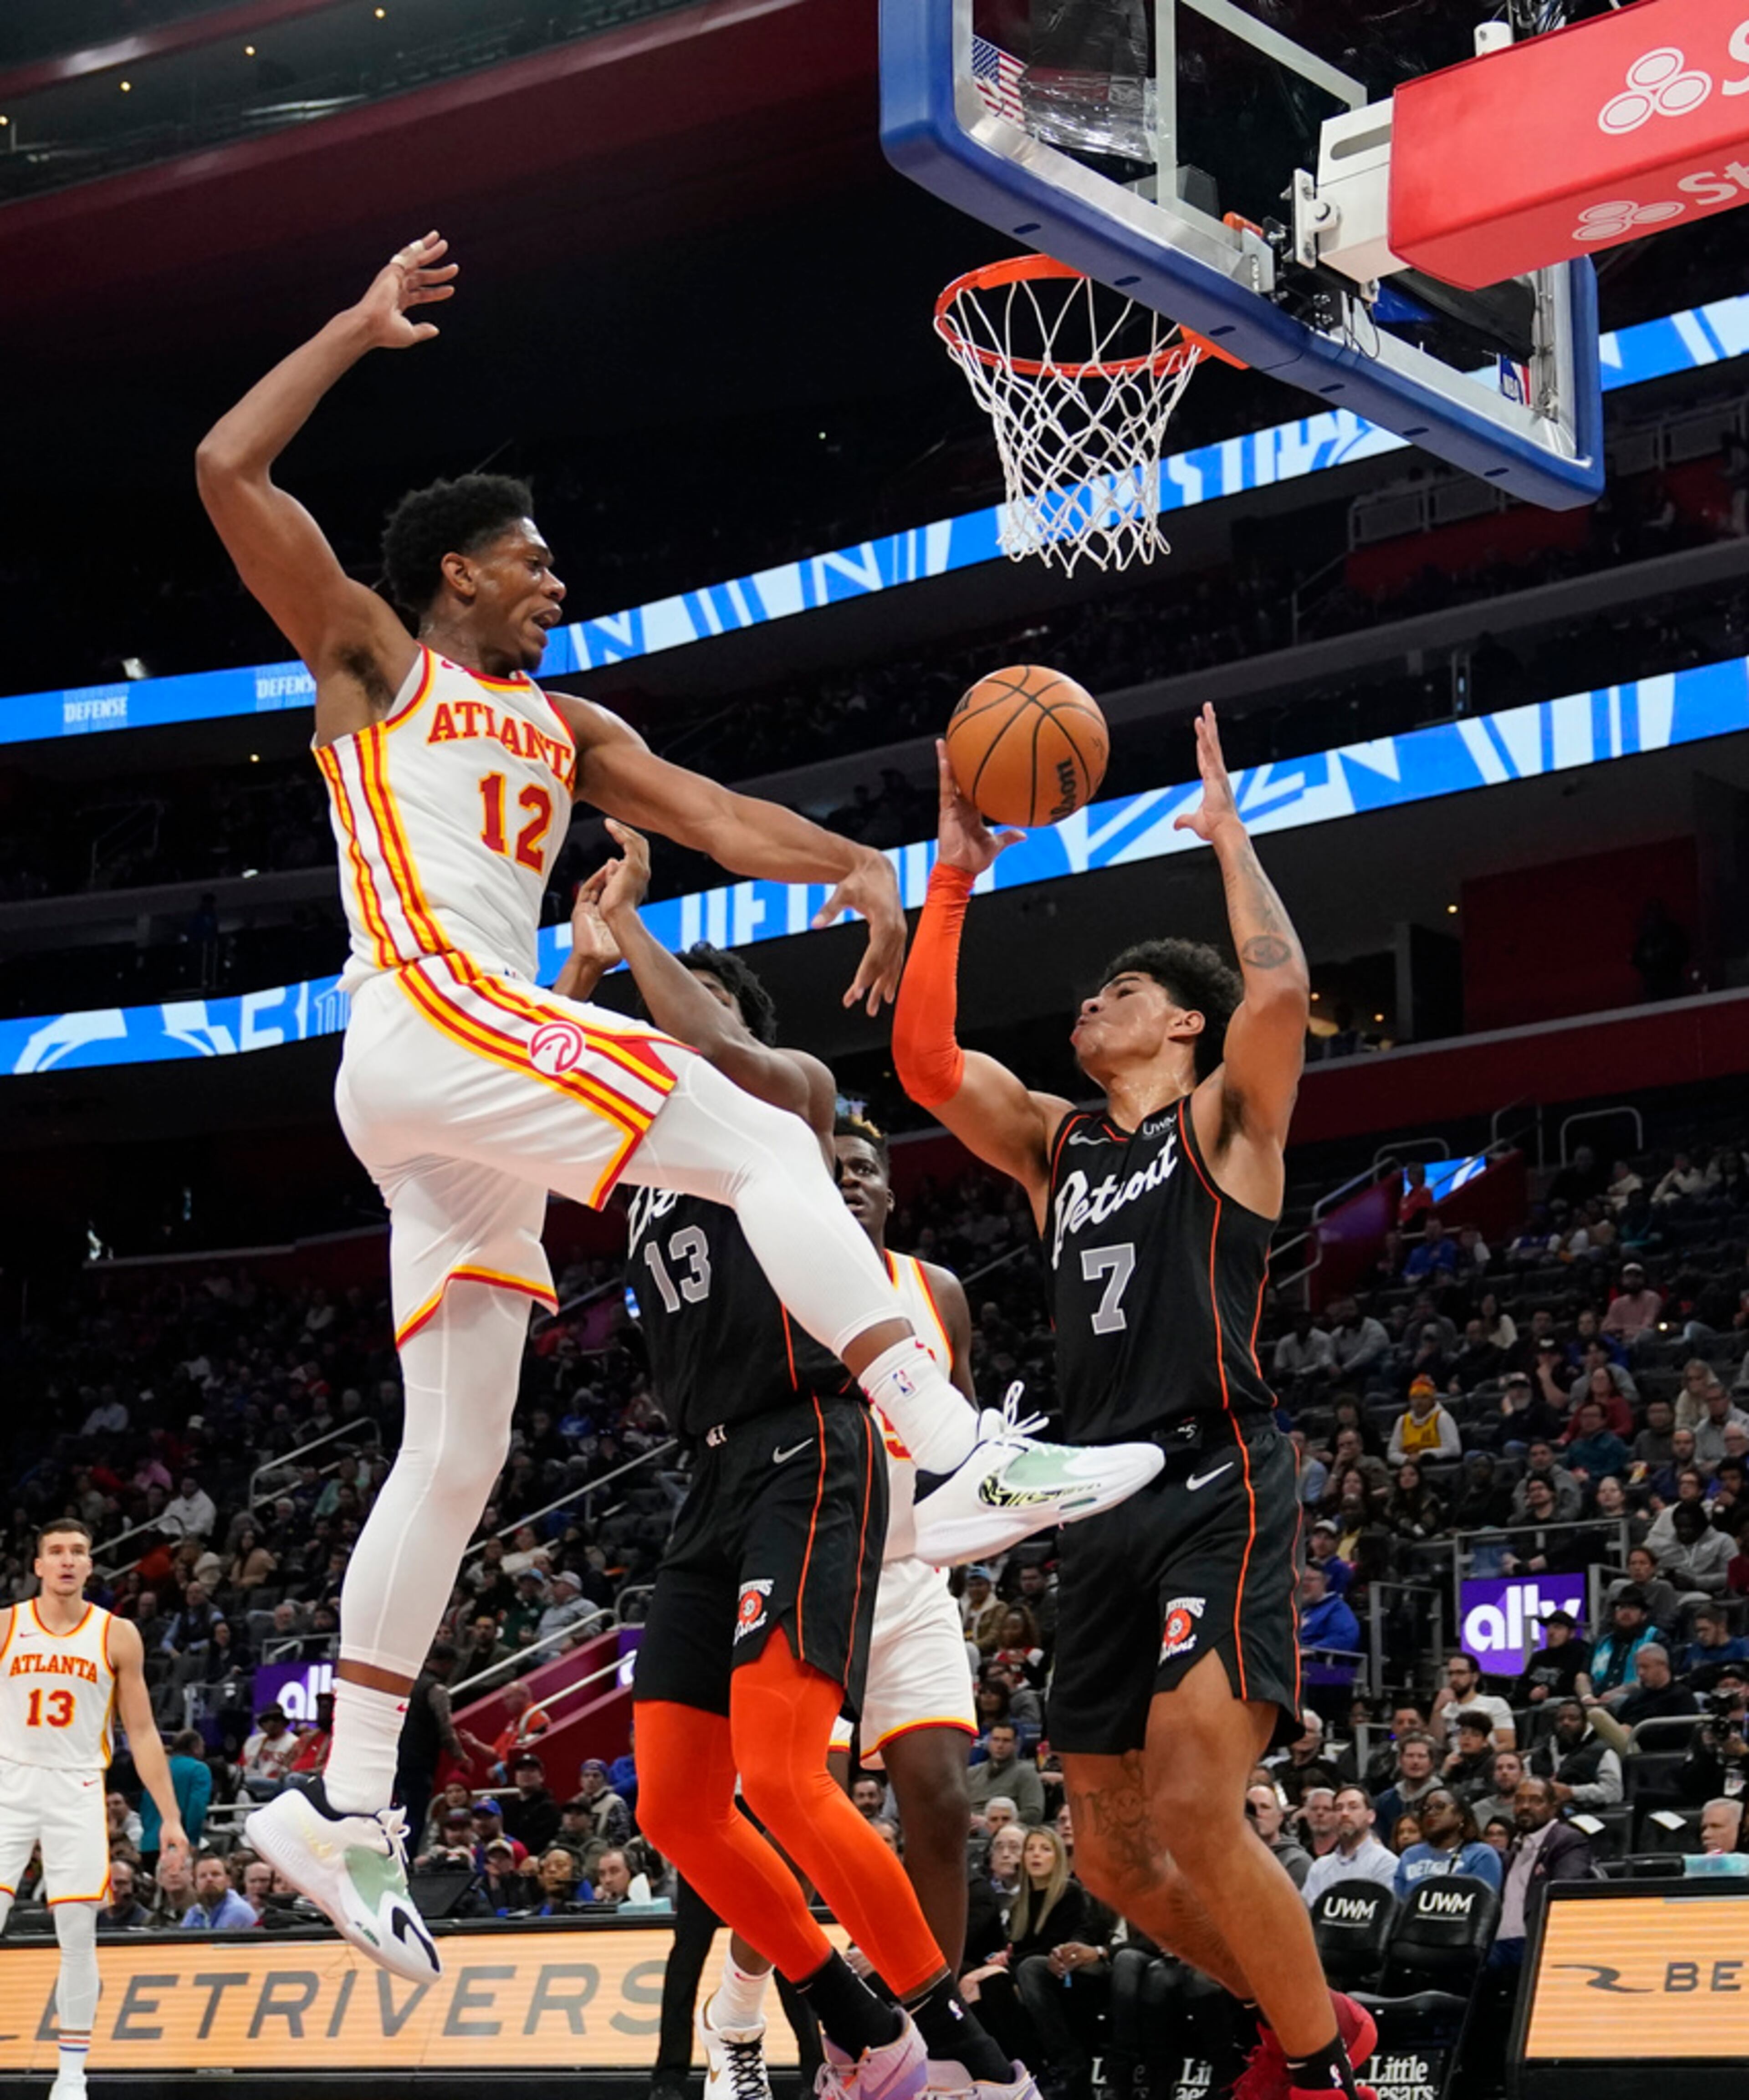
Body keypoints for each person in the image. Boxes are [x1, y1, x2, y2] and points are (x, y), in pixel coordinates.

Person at [204, 233, 1157, 1988]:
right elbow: (225, 469)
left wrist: (865, 860)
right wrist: (349, 325)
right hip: (432, 1018)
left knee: (460, 1445)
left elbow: (717, 815)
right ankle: (952, 1441)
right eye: (535, 561)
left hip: (447, 1107)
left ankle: (342, 1803)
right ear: (460, 573)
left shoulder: (563, 727)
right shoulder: (374, 666)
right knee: (764, 1139)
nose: (557, 581)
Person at [893, 708, 1378, 2100]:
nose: (1088, 1005)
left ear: (1178, 1020)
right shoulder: (1057, 1146)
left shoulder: (1225, 1119)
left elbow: (1276, 996)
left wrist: (1232, 842)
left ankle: (1314, 2077)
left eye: (1120, 992)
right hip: (1081, 1499)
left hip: (1210, 1477)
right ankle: (1311, 2018)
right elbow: (929, 1066)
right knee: (1106, 1855)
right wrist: (949, 879)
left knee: (1186, 1799)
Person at [560, 862, 1039, 2100]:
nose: (648, 1026)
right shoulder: (639, 1154)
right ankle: (855, 2028)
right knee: (675, 1804)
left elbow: (710, 1031)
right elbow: (531, 1070)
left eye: (669, 1009)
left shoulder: (785, 1110)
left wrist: (634, 936)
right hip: (710, 1479)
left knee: (785, 1775)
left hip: (808, 1448)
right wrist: (577, 973)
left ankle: (967, 2062)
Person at [0, 1519, 192, 2100]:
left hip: (79, 1784)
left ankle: (72, 2076)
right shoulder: (7, 1625)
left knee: (78, 1933)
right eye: (55, 1551)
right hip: (9, 1778)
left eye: (77, 1551)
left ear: (89, 1565)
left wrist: (173, 1818)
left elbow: (142, 1730)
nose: (66, 1560)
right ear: (37, 1565)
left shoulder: (117, 1634)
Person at [1487, 1777, 1593, 1974]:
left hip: (1537, 1942)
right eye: (1520, 1801)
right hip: (1501, 1944)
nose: (1525, 1807)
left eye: (1536, 1801)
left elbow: (1566, 1891)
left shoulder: (1568, 1841)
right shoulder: (1513, 1848)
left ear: (1553, 1807)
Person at [1391, 1788, 1502, 1899]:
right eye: (1426, 1809)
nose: (1431, 1813)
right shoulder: (1410, 1856)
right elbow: (1400, 1904)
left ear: (1460, 1815)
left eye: (1440, 1807)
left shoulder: (1481, 1855)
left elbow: (1482, 1904)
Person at [1300, 1787, 1398, 1906]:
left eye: (1353, 1807)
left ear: (1371, 1816)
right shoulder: (1320, 1867)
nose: (1344, 1814)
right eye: (1338, 1808)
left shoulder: (1386, 1863)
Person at [1246, 1785, 1313, 1890]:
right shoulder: (1234, 1856)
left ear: (1280, 1817)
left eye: (1265, 1807)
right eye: (1251, 1809)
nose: (1258, 1814)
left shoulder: (1297, 1862)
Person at [183, 1853, 259, 1929]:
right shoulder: (195, 1911)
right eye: (203, 1876)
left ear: (228, 1881)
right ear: (195, 1883)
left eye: (215, 1874)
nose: (209, 1879)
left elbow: (215, 1941)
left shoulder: (239, 1911)